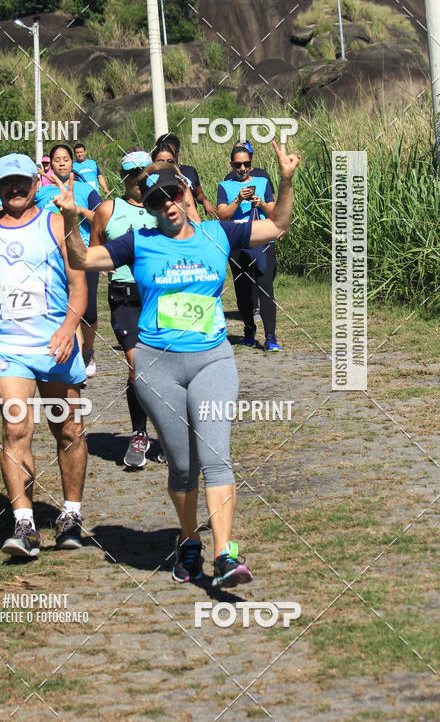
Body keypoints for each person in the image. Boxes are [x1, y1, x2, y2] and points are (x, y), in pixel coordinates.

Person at [54, 142, 300, 587]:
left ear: (186, 193)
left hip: (212, 360)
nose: (167, 204)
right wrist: (72, 217)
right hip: (157, 366)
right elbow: (82, 259)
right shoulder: (139, 242)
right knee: (183, 465)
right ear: (148, 208)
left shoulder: (218, 233)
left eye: (172, 194)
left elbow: (279, 225)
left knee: (216, 457)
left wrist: (284, 180)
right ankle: (189, 540)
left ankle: (225, 555)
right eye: (156, 200)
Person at [0, 153, 89, 556]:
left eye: (22, 181)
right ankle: (24, 524)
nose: (15, 189)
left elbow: (79, 283)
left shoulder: (56, 223)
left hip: (56, 343)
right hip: (7, 346)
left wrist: (70, 328)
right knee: (16, 427)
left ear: (37, 182)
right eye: (6, 183)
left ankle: (70, 515)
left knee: (68, 429)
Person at [90, 150, 158, 468]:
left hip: (161, 297)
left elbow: (192, 236)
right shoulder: (107, 209)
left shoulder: (165, 207)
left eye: (145, 172)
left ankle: (173, 433)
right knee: (139, 365)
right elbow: (91, 254)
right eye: (133, 174)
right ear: (124, 177)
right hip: (125, 298)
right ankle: (139, 434)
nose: (140, 179)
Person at [35, 145, 102, 377]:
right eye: (57, 160)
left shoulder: (86, 189)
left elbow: (101, 220)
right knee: (65, 309)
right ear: (50, 164)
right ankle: (73, 363)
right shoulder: (41, 195)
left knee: (89, 314)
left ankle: (89, 350)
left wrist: (78, 208)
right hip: (54, 258)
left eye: (66, 159)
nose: (62, 163)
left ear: (72, 163)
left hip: (83, 256)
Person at [217, 145, 280, 351]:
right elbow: (223, 215)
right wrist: (238, 199)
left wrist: (260, 203)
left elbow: (274, 211)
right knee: (243, 291)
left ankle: (271, 337)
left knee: (266, 289)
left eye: (246, 164)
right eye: (238, 164)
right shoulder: (224, 186)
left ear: (251, 164)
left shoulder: (262, 182)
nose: (242, 168)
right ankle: (249, 328)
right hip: (238, 243)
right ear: (231, 165)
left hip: (262, 240)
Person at [155, 133, 217, 218]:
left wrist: (204, 200)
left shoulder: (189, 171)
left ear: (178, 153)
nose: (170, 154)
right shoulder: (153, 176)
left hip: (191, 221)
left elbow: (198, 193)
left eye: (173, 151)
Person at [151, 143, 201, 224]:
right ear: (153, 162)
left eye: (170, 162)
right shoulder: (147, 185)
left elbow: (194, 218)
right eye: (161, 162)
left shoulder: (181, 184)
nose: (166, 165)